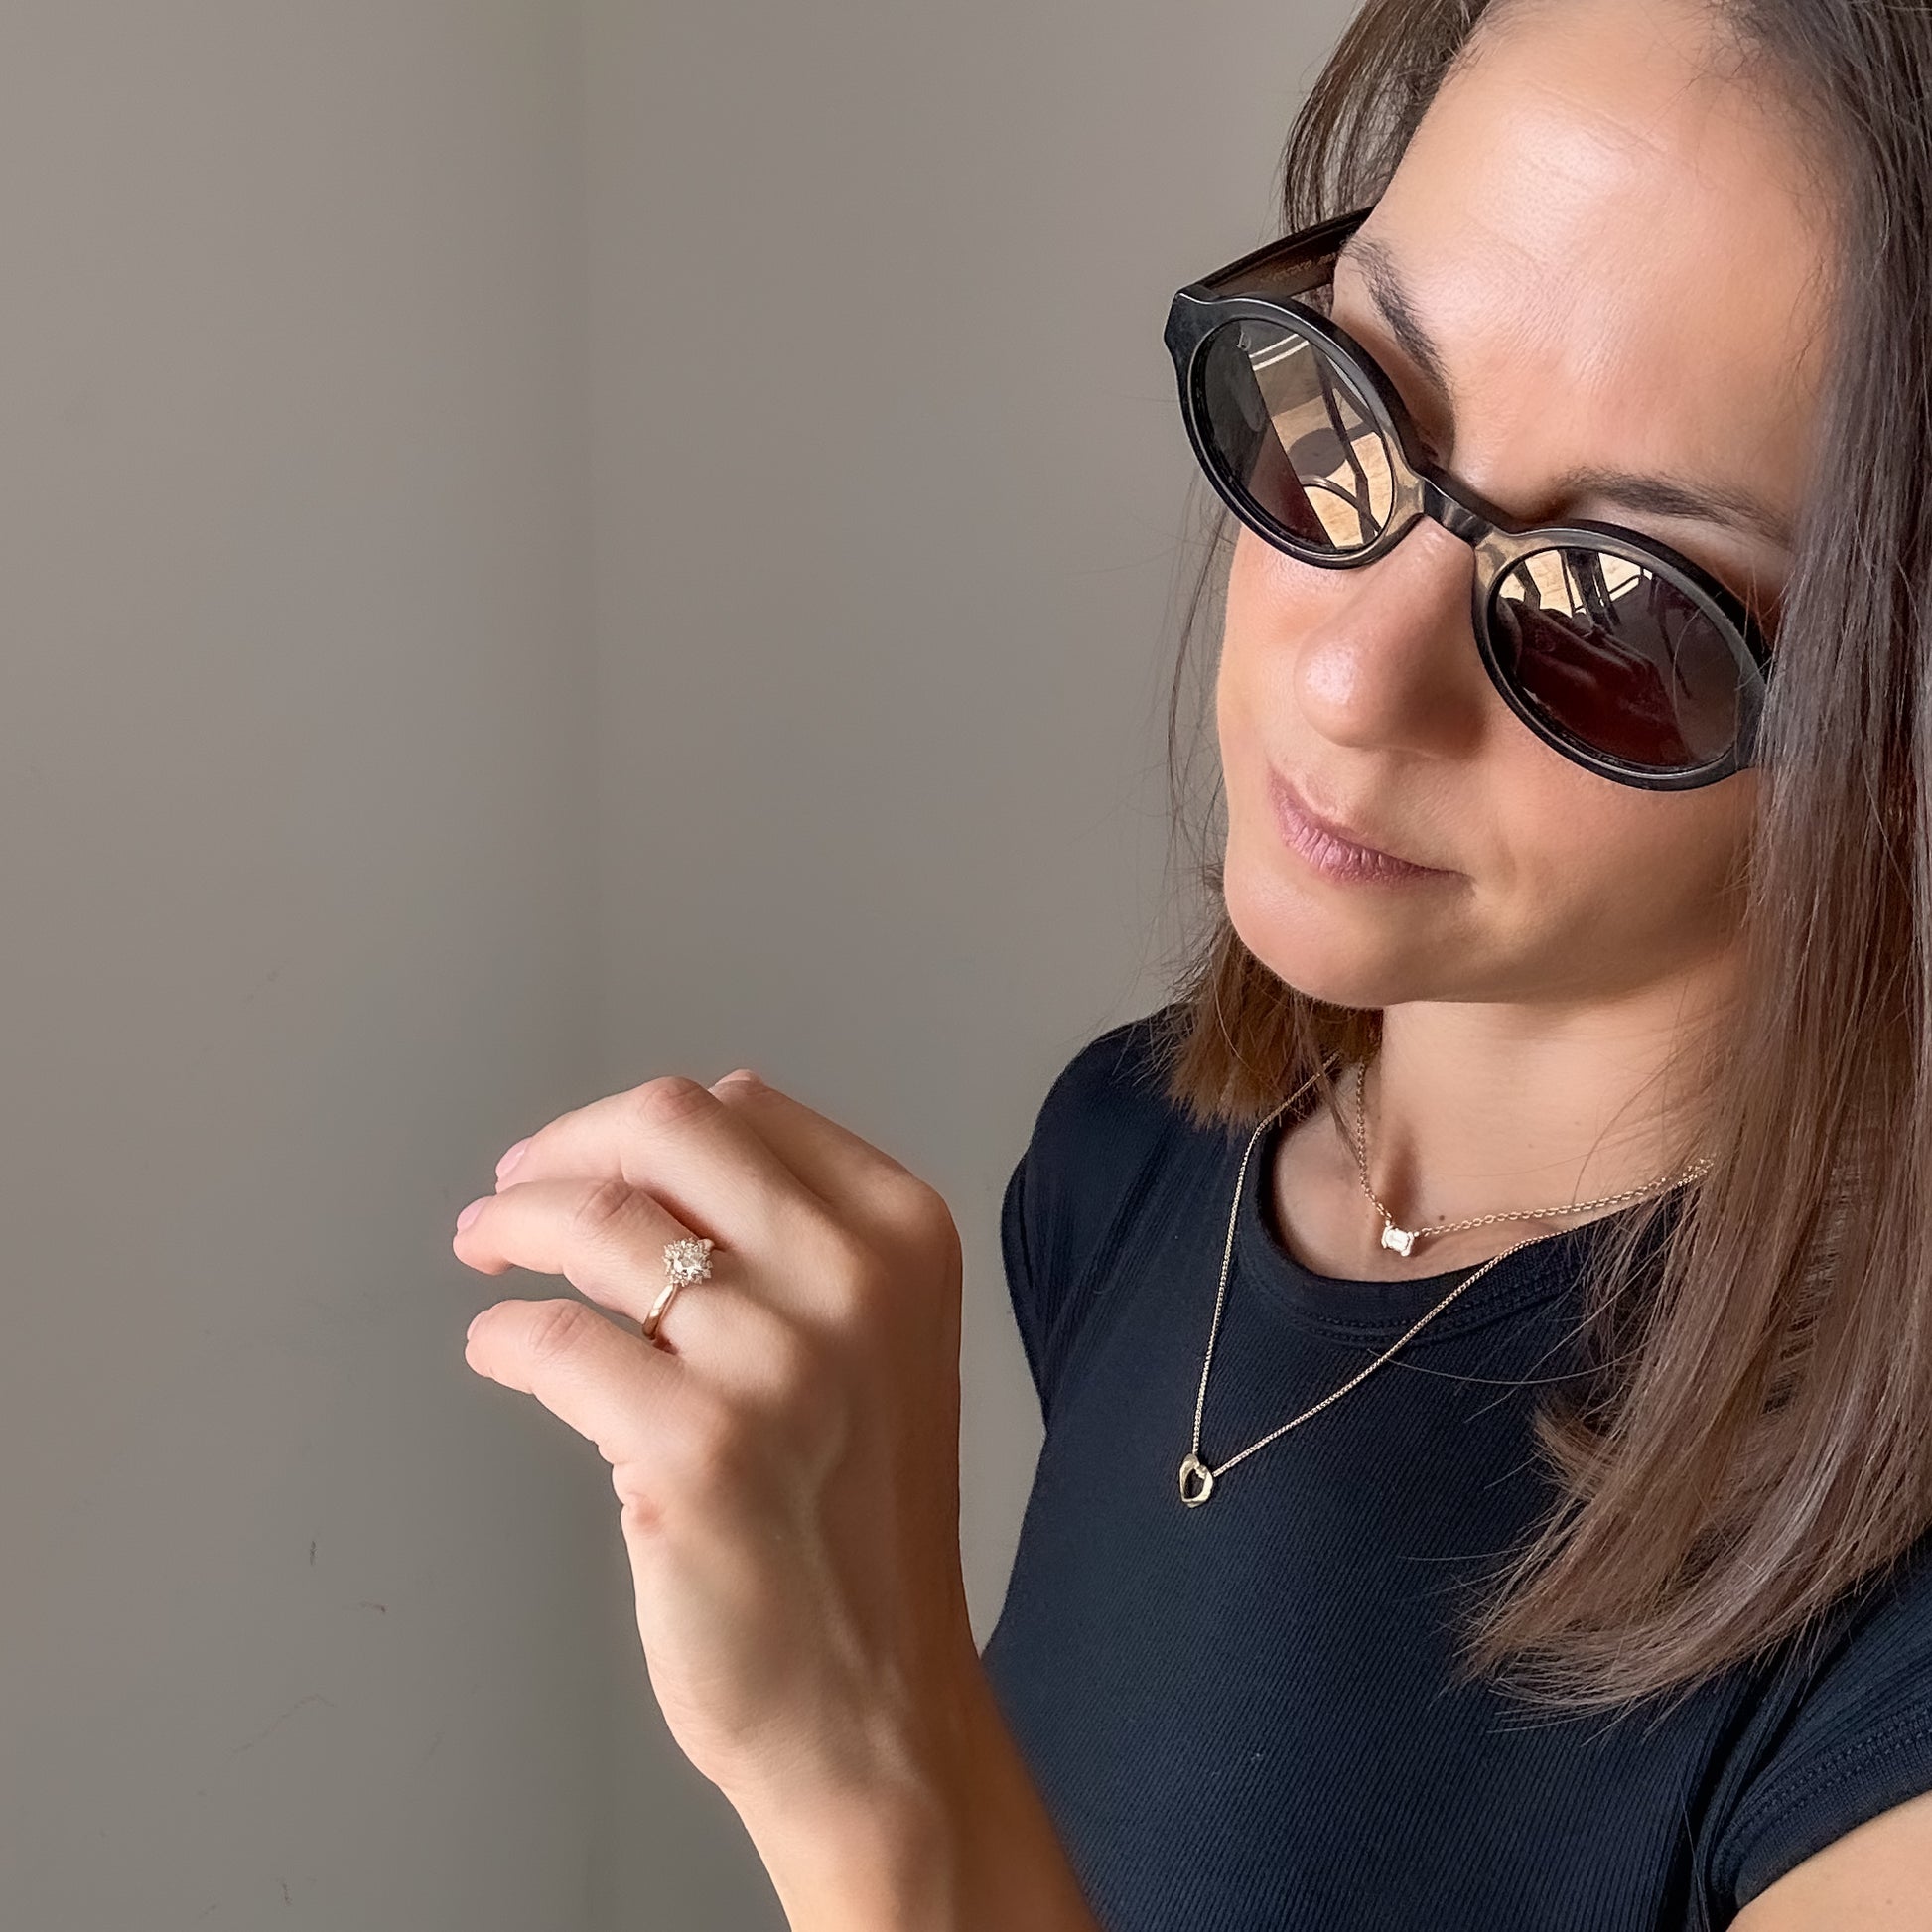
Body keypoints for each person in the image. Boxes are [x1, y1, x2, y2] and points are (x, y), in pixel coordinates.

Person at [455, 0, 1932, 1926]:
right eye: (1361, 400)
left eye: (1617, 608)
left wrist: (869, 1778)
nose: (1344, 672)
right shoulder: (1123, 1167)